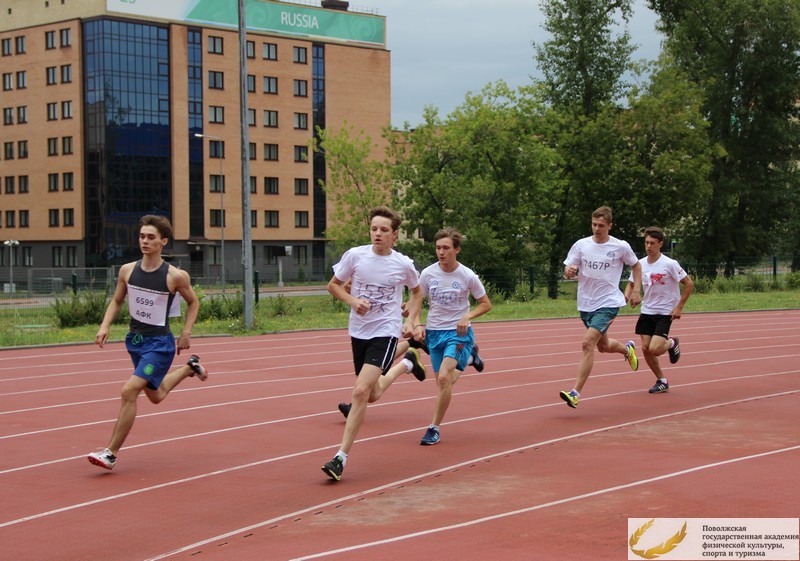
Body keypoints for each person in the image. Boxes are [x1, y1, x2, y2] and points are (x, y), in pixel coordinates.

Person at [87, 215, 207, 470]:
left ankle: (110, 453)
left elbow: (194, 301)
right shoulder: (127, 270)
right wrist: (105, 325)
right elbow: (117, 300)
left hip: (159, 345)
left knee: (129, 390)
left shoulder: (175, 276)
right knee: (156, 395)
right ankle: (190, 368)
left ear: (163, 241)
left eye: (151, 237)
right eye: (142, 236)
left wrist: (186, 332)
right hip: (136, 341)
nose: (145, 241)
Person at [322, 206, 424, 481]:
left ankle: (339, 458)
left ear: (394, 235)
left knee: (359, 392)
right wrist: (353, 300)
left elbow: (417, 291)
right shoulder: (355, 256)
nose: (377, 234)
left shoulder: (402, 264)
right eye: (374, 229)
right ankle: (406, 363)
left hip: (386, 330)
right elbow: (333, 285)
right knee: (373, 394)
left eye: (384, 230)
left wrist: (412, 319)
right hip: (359, 331)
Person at [410, 227, 491, 445]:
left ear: (457, 250)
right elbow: (416, 302)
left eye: (446, 248)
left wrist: (467, 316)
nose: (441, 252)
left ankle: (433, 428)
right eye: (438, 248)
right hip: (434, 333)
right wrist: (416, 324)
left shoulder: (467, 275)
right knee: (442, 383)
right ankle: (471, 358)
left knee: (445, 378)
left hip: (458, 334)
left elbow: (486, 304)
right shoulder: (427, 274)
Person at [560, 206, 642, 409]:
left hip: (609, 302)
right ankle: (627, 349)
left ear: (610, 226)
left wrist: (636, 290)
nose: (597, 229)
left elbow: (637, 265)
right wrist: (569, 271)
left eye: (601, 226)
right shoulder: (581, 245)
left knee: (588, 343)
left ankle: (575, 393)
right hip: (586, 303)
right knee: (603, 346)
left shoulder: (620, 247)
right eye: (594, 224)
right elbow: (567, 270)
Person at [624, 226, 694, 394]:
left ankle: (671, 343)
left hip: (665, 312)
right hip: (647, 310)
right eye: (646, 243)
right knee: (646, 348)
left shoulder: (669, 264)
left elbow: (689, 284)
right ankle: (661, 380)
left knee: (655, 348)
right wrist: (626, 296)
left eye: (652, 243)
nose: (648, 246)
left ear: (660, 244)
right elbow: (632, 283)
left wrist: (679, 307)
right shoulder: (639, 264)